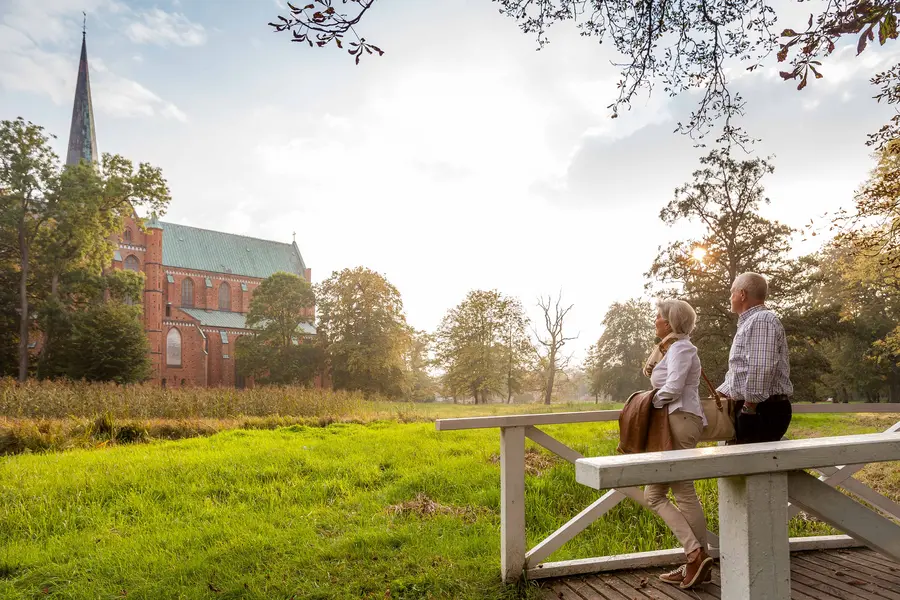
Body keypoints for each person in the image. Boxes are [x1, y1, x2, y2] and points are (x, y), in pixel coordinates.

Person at [642, 299, 714, 589]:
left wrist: (647, 403)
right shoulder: (671, 348)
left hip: (680, 420)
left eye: (658, 316)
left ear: (670, 322)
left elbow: (672, 388)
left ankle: (696, 559)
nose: (655, 320)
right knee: (653, 494)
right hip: (673, 421)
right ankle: (697, 558)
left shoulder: (682, 348)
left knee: (683, 491)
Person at [717, 272, 794, 444]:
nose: (730, 297)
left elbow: (761, 367)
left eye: (732, 292)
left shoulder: (761, 320)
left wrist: (748, 408)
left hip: (761, 409)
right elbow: (741, 369)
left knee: (752, 459)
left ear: (742, 294)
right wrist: (721, 392)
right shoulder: (752, 322)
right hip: (756, 407)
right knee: (744, 459)